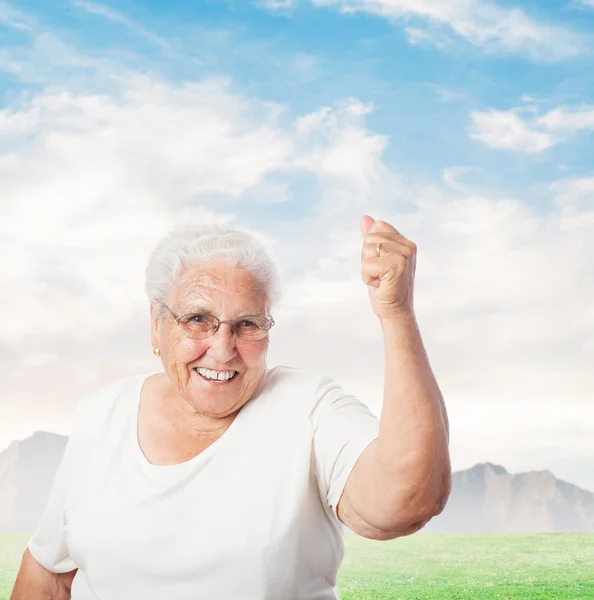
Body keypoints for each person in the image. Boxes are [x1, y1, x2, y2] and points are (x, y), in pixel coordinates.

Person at [11, 215, 451, 600]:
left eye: (246, 324)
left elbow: (404, 503)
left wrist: (395, 313)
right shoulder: (101, 413)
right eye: (198, 319)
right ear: (156, 324)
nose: (222, 350)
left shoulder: (310, 408)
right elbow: (48, 572)